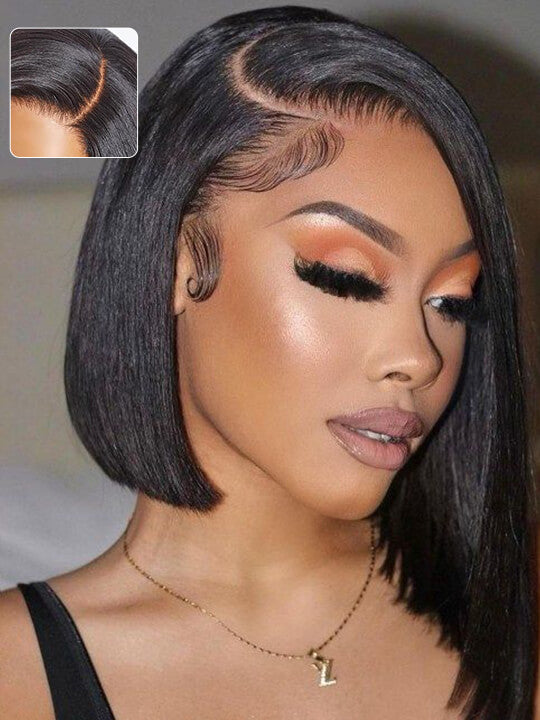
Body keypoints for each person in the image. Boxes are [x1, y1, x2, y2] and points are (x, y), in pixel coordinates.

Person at [0, 6, 537, 719]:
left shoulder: (516, 630)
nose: (418, 358)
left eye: (451, 302)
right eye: (345, 277)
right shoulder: (17, 675)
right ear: (177, 263)